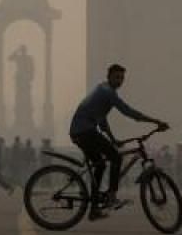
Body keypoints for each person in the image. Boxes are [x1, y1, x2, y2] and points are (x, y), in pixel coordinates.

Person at [69, 64, 168, 219]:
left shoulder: (102, 90)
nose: (120, 80)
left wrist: (113, 139)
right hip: (85, 131)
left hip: (80, 131)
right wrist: (156, 121)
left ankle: (94, 209)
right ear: (109, 77)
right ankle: (112, 196)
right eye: (116, 77)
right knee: (116, 157)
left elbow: (101, 119)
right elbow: (128, 112)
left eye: (122, 78)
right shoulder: (108, 93)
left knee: (100, 165)